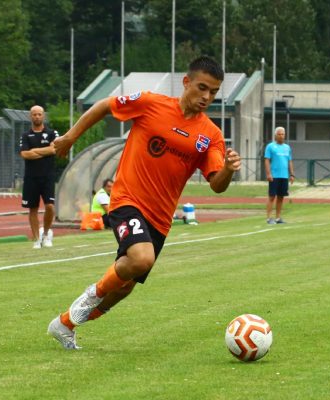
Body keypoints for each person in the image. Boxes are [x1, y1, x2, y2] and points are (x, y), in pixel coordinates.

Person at [47, 56, 241, 349]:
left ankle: (65, 324)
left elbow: (217, 185)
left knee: (124, 289)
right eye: (202, 87)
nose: (206, 97)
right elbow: (104, 106)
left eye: (213, 92)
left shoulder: (211, 136)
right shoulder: (151, 103)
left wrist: (227, 169)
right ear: (186, 82)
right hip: (127, 199)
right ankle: (87, 297)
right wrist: (70, 138)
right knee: (141, 259)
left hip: (160, 219)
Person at [19, 105, 58, 249]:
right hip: (31, 177)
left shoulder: (52, 133)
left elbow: (54, 149)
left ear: (43, 116)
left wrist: (35, 150)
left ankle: (46, 234)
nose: (37, 117)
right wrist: (45, 151)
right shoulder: (25, 135)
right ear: (30, 116)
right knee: (32, 209)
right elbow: (24, 154)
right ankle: (36, 239)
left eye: (39, 114)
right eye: (34, 114)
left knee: (50, 206)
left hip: (47, 176)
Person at [264, 126, 295, 224]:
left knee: (281, 197)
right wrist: (269, 173)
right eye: (279, 134)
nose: (281, 136)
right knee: (272, 196)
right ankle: (269, 218)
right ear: (275, 135)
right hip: (274, 176)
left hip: (284, 176)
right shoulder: (270, 146)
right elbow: (267, 160)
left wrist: (292, 174)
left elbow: (289, 161)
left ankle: (278, 218)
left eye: (283, 134)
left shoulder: (287, 147)